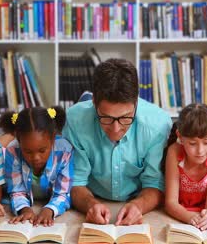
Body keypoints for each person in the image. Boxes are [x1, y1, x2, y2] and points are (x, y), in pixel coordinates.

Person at [63, 58, 172, 226]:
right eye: (106, 117)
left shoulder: (158, 124)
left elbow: (155, 182)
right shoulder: (74, 120)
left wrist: (139, 205)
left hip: (136, 195)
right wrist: (90, 204)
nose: (115, 129)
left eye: (126, 117)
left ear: (136, 102)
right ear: (94, 103)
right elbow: (76, 181)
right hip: (94, 194)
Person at [3, 106, 73, 227]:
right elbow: (16, 191)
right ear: (19, 141)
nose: (36, 158)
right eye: (28, 151)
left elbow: (63, 193)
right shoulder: (13, 151)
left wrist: (50, 210)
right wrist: (24, 209)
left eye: (42, 150)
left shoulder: (64, 151)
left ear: (53, 139)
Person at [163, 103, 207, 231]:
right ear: (180, 137)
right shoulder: (174, 152)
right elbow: (170, 203)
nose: (200, 151)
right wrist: (189, 217)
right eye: (193, 143)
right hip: (184, 207)